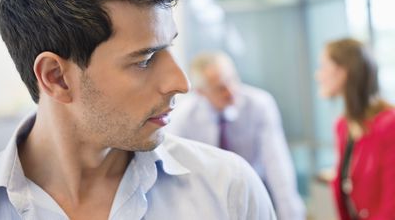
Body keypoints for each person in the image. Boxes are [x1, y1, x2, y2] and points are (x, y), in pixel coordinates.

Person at [0, 0, 277, 220]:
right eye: (145, 59)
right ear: (56, 77)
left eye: (169, 47)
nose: (181, 83)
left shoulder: (227, 189)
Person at [168, 51, 305, 220]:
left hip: (255, 188)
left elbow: (277, 163)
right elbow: (174, 168)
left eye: (232, 79)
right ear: (201, 92)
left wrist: (291, 215)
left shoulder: (259, 104)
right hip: (207, 197)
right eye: (220, 88)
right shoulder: (184, 117)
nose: (231, 91)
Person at [315, 38, 395, 220]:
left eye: (323, 66)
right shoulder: (343, 126)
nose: (318, 75)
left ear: (343, 72)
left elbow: (392, 206)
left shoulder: (390, 125)